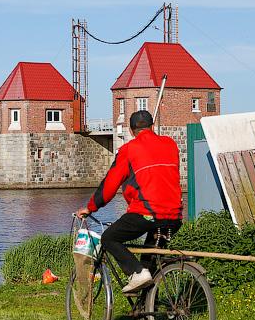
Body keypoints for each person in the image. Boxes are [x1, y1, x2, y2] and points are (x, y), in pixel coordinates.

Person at [76, 110, 183, 293]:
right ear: (152, 126)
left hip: (147, 213)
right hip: (174, 216)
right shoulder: (170, 144)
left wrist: (90, 207)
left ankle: (136, 272)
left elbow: (109, 186)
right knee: (149, 265)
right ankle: (148, 312)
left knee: (109, 238)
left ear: (132, 131)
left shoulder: (129, 150)